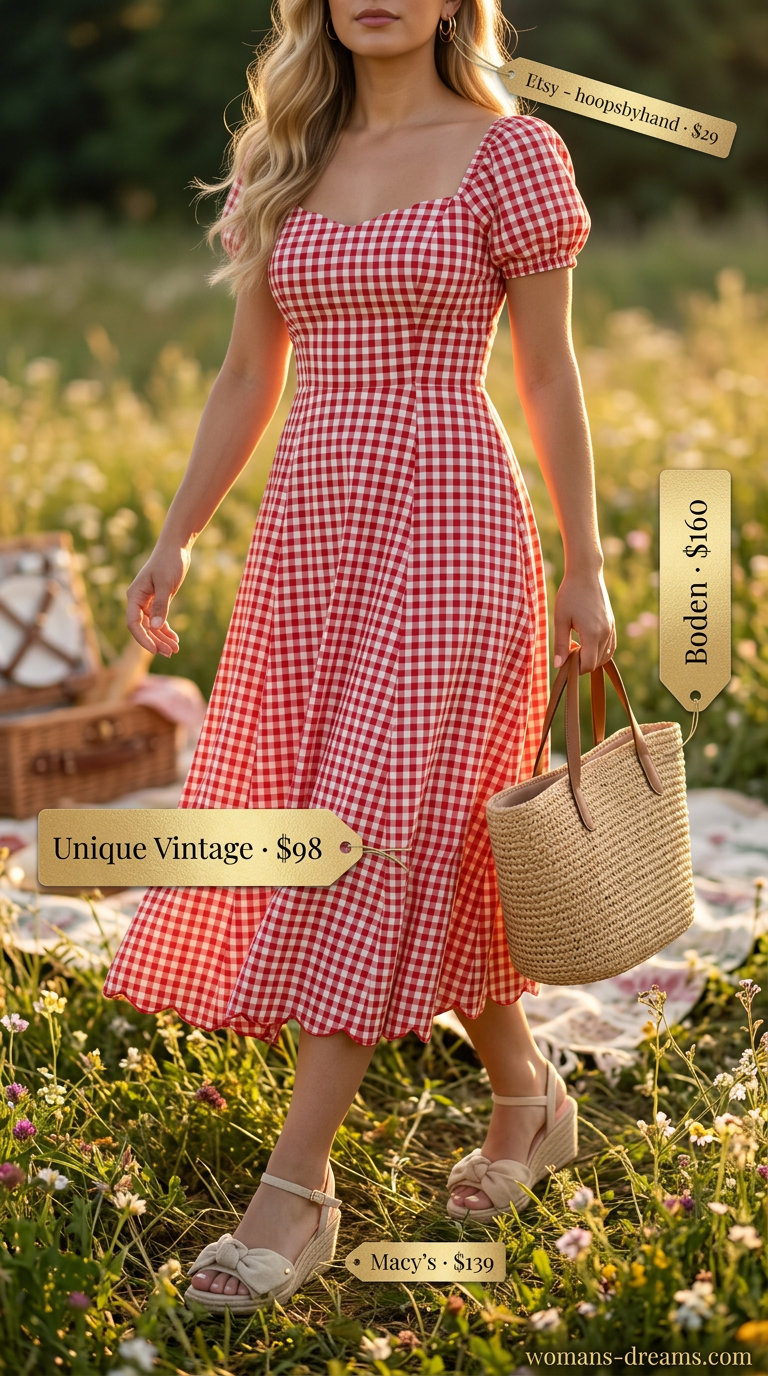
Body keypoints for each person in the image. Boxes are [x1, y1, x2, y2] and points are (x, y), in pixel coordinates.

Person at [103, 0, 616, 1312]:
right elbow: (242, 378)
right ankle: (528, 1095)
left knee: (363, 832)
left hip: (451, 520)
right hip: (312, 538)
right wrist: (174, 536)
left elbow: (551, 378)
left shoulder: (514, 154)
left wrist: (591, 563)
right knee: (423, 837)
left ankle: (298, 1193)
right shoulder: (293, 155)